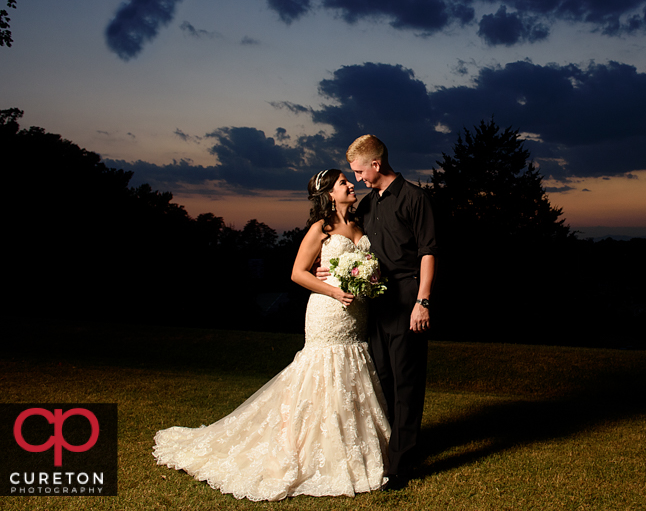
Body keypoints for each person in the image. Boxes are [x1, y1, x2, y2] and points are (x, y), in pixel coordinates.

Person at [153, 169, 390, 500]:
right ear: (329, 193)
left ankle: (355, 451)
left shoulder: (359, 225)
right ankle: (309, 450)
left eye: (349, 181)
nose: (351, 185)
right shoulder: (320, 229)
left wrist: (367, 279)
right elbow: (297, 273)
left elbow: (362, 263)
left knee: (350, 374)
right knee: (321, 372)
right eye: (343, 183)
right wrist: (333, 291)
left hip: (357, 314)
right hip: (328, 312)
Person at [345, 134, 438, 490]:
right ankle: (388, 450)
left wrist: (423, 301)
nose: (357, 179)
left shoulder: (415, 198)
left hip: (407, 297)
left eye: (359, 171)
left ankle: (401, 463)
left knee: (406, 381)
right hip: (377, 302)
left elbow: (429, 251)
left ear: (376, 164)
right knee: (382, 378)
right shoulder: (369, 205)